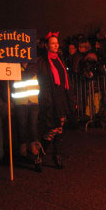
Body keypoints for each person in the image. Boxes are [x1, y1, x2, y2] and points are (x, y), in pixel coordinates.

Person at [34, 32, 75, 171]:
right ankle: (40, 154)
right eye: (52, 43)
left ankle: (56, 155)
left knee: (60, 128)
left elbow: (65, 81)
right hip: (50, 99)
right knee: (52, 129)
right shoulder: (42, 61)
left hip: (61, 97)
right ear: (47, 45)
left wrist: (70, 99)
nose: (56, 45)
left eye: (57, 43)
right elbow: (41, 80)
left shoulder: (60, 59)